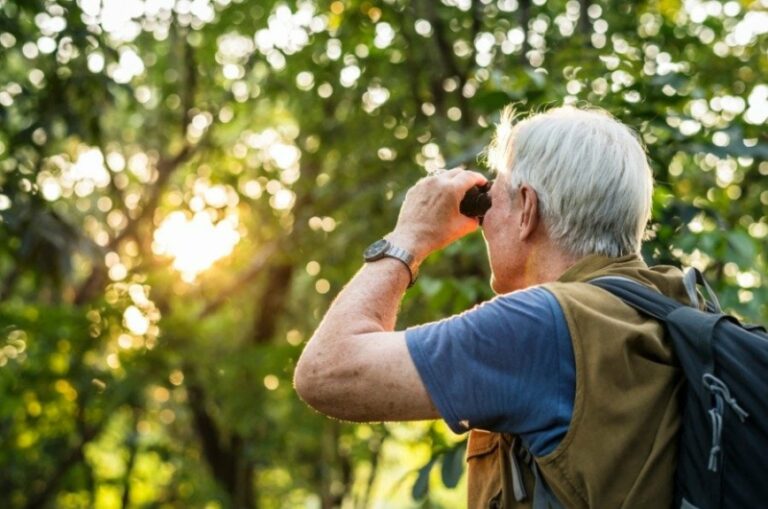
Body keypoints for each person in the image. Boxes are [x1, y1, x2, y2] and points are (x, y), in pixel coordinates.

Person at [294, 105, 689, 508]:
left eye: (488, 202)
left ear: (527, 209)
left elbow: (326, 372)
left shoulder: (541, 325)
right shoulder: (675, 302)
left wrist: (409, 237)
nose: (482, 222)